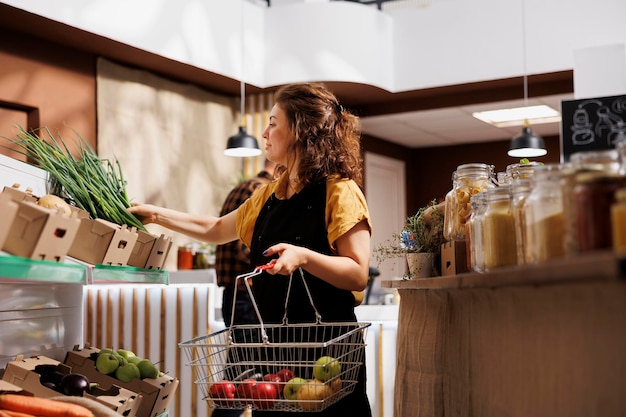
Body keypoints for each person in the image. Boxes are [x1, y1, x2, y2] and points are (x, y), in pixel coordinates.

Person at [129, 82, 373, 416]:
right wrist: (155, 214)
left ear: (300, 130)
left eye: (274, 123)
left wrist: (303, 257)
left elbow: (357, 274)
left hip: (328, 358)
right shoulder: (267, 197)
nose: (265, 132)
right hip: (275, 357)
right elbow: (214, 229)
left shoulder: (340, 192)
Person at [213, 158, 276, 417]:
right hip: (247, 296)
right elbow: (245, 248)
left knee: (238, 381)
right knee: (242, 383)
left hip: (236, 295)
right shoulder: (261, 190)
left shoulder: (244, 187)